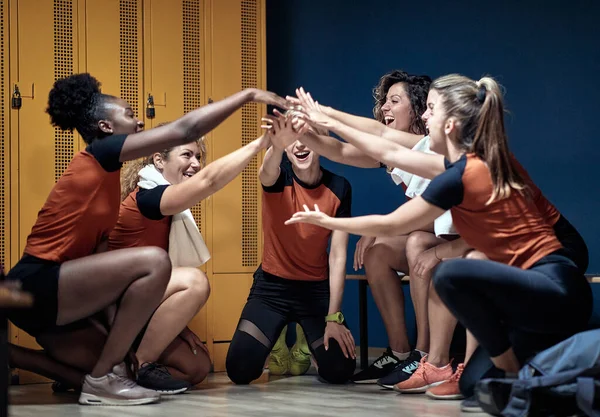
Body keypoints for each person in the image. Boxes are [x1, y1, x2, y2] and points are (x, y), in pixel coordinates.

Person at [286, 75, 592, 399]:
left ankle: (506, 371)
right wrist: (322, 119)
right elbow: (384, 145)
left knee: (453, 271)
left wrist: (328, 221)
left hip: (556, 288)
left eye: (431, 108)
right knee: (486, 390)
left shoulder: (470, 172)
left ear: (450, 125)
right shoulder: (457, 167)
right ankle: (514, 375)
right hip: (534, 295)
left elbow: (391, 223)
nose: (424, 116)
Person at [6, 72, 286, 405]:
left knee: (118, 369)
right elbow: (186, 131)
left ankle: (20, 358)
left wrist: (120, 335)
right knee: (155, 262)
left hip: (65, 296)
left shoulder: (105, 187)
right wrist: (248, 95)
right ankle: (104, 377)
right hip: (37, 281)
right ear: (106, 127)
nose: (139, 122)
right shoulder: (100, 153)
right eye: (128, 114)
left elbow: (98, 260)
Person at [286, 72, 468, 386]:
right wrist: (299, 133)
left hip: (461, 244)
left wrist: (324, 114)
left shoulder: (430, 147)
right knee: (378, 254)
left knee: (412, 243)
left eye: (394, 101)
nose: (384, 107)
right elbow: (341, 152)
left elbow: (437, 214)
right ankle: (399, 351)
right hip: (438, 237)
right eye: (384, 101)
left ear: (418, 108)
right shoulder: (414, 146)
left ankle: (423, 354)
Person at [109, 126, 272, 392]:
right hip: (116, 306)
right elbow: (208, 182)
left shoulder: (166, 203)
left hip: (141, 306)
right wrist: (259, 145)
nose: (195, 164)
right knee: (196, 282)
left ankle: (105, 371)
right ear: (159, 161)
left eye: (198, 157)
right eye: (187, 155)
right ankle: (142, 363)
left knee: (196, 368)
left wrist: (176, 326)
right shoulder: (147, 197)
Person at [225, 112, 356, 385]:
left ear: (322, 140)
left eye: (307, 135)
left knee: (340, 371)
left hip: (315, 291)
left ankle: (304, 346)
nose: (299, 144)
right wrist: (275, 142)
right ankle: (277, 339)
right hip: (272, 289)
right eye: (292, 138)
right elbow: (266, 170)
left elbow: (338, 255)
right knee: (239, 370)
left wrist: (334, 317)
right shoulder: (277, 177)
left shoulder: (340, 187)